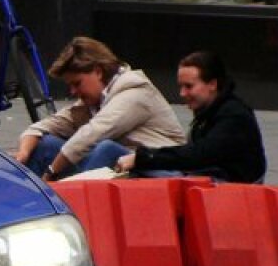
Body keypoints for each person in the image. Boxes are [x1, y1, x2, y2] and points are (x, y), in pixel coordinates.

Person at [15, 36, 186, 182]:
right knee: (46, 144)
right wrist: (22, 155)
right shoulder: (91, 103)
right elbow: (41, 128)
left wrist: (51, 172)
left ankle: (74, 207)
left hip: (158, 172)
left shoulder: (136, 93)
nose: (73, 92)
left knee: (106, 148)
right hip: (120, 169)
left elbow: (94, 133)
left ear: (98, 71)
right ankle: (28, 207)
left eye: (77, 83)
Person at [115, 50, 266, 183]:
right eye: (181, 86)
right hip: (202, 179)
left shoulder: (234, 116)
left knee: (128, 164)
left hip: (223, 189)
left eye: (189, 86)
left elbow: (198, 155)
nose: (182, 94)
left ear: (212, 84)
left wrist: (144, 158)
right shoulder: (211, 111)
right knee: (110, 150)